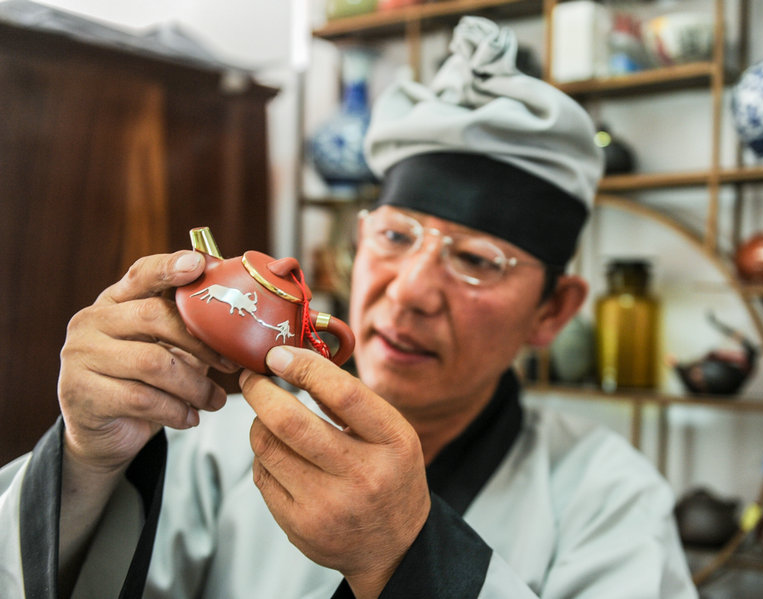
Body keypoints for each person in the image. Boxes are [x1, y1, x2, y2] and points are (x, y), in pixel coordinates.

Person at [0, 16, 697, 599]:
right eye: (394, 236)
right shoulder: (211, 434)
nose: (410, 290)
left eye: (480, 260)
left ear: (554, 309)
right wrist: (88, 463)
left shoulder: (607, 497)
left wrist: (410, 558)